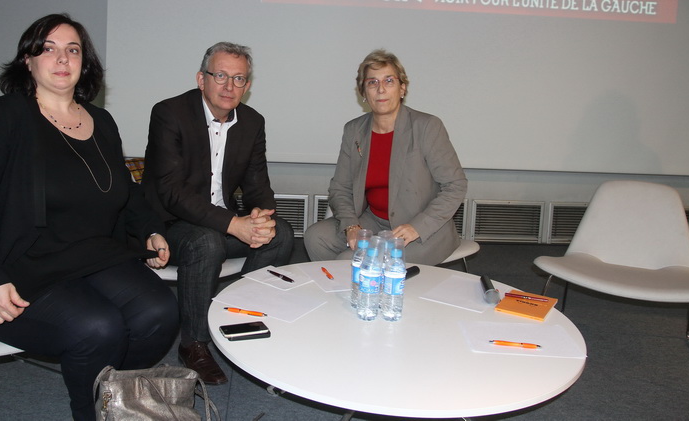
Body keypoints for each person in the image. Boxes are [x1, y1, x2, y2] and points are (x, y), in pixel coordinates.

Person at [0, 13, 179, 421]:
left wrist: (150, 229)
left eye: (72, 50)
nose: (61, 59)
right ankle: (91, 413)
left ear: (84, 64)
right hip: (18, 267)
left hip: (90, 255)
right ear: (27, 61)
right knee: (98, 328)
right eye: (48, 48)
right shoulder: (0, 116)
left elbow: (124, 192)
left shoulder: (101, 122)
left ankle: (115, 401)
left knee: (159, 312)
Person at [142, 42, 294, 385]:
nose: (229, 86)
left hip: (222, 221)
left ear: (248, 85)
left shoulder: (252, 122)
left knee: (281, 234)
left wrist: (260, 217)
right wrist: (233, 224)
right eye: (221, 75)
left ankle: (241, 319)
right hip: (170, 226)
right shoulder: (170, 113)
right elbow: (171, 192)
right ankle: (193, 343)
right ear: (201, 79)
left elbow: (257, 183)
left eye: (239, 79)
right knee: (206, 242)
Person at [304, 49, 467, 264]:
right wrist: (352, 226)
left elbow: (455, 186)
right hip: (373, 221)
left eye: (389, 81)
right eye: (372, 82)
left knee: (351, 260)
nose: (381, 89)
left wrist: (417, 227)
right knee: (316, 237)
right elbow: (339, 188)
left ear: (402, 88)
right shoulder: (354, 130)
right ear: (363, 93)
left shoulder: (427, 127)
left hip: (423, 230)